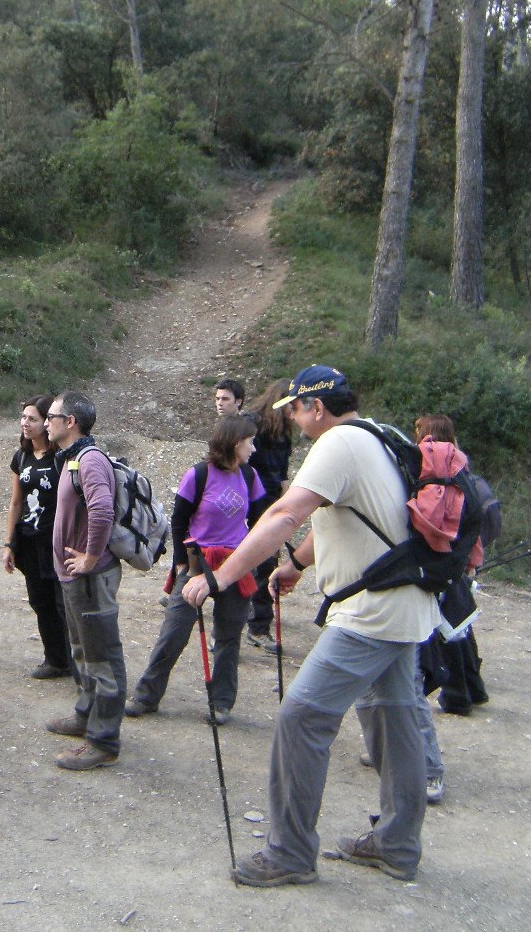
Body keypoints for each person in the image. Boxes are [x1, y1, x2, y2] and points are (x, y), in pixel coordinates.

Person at [183, 365, 437, 887]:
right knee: (396, 723)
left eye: (295, 409)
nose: (292, 420)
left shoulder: (337, 444)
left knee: (301, 717)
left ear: (316, 408)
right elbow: (353, 517)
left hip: (370, 613)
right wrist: (297, 564)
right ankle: (398, 845)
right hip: (406, 604)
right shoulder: (379, 436)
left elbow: (283, 515)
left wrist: (221, 577)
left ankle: (291, 852)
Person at [126, 415, 264, 724]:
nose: (253, 449)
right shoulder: (198, 475)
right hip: (197, 562)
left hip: (235, 565)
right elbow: (179, 519)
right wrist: (180, 564)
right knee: (174, 631)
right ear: (235, 442)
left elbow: (259, 523)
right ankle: (147, 695)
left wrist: (255, 561)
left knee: (229, 636)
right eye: (250, 442)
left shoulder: (251, 477)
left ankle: (222, 702)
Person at [43, 390, 125, 771]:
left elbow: (102, 509)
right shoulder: (72, 459)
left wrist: (91, 557)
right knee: (82, 650)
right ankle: (86, 713)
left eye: (52, 416)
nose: (46, 422)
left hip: (90, 579)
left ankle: (103, 741)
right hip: (75, 578)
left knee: (102, 655)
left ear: (70, 422)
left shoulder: (89, 460)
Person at [415, 414, 494, 717]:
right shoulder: (460, 467)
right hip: (458, 557)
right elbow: (471, 520)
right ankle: (474, 688)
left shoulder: (426, 467)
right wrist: (472, 559)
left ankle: (457, 695)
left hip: (435, 557)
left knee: (444, 628)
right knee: (461, 624)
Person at [1, 394, 73, 680]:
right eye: (23, 418)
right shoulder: (22, 456)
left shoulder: (61, 458)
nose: (25, 423)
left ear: (46, 422)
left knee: (63, 604)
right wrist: (9, 543)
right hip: (30, 541)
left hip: (57, 543)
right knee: (40, 602)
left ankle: (76, 661)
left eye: (32, 418)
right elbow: (16, 502)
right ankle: (55, 659)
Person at [245, 380, 294, 654]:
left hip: (271, 502)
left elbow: (283, 473)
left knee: (267, 562)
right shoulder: (253, 424)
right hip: (249, 503)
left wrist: (287, 506)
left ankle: (259, 625)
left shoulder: (284, 432)